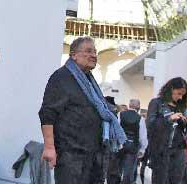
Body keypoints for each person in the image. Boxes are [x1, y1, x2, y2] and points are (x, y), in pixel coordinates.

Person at [39, 36, 126, 184]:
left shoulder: (89, 82)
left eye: (95, 52)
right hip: (71, 155)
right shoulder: (62, 77)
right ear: (74, 55)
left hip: (93, 156)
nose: (94, 55)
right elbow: (47, 113)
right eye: (88, 51)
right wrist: (49, 147)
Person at [147, 77, 187, 184]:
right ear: (171, 89)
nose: (180, 97)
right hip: (162, 149)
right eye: (179, 93)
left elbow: (182, 130)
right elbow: (151, 124)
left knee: (177, 179)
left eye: (183, 95)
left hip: (179, 149)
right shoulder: (156, 103)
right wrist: (169, 119)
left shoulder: (180, 106)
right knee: (160, 179)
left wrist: (185, 122)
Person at [119, 98, 148, 184]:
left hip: (120, 144)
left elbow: (116, 128)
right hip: (133, 146)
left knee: (117, 169)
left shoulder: (120, 114)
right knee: (128, 172)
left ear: (129, 105)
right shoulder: (140, 119)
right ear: (138, 106)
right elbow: (143, 136)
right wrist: (142, 149)